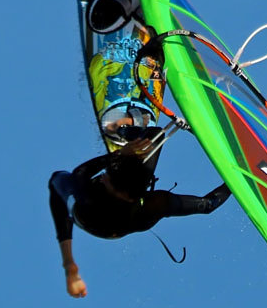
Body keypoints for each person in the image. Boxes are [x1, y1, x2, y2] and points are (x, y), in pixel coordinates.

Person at [49, 127, 231, 298]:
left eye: (109, 180)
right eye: (108, 176)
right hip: (111, 215)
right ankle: (120, 132)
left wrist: (120, 154)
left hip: (99, 213)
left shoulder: (88, 193)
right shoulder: (151, 206)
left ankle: (121, 133)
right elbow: (209, 205)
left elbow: (77, 174)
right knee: (155, 137)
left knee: (59, 181)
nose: (103, 177)